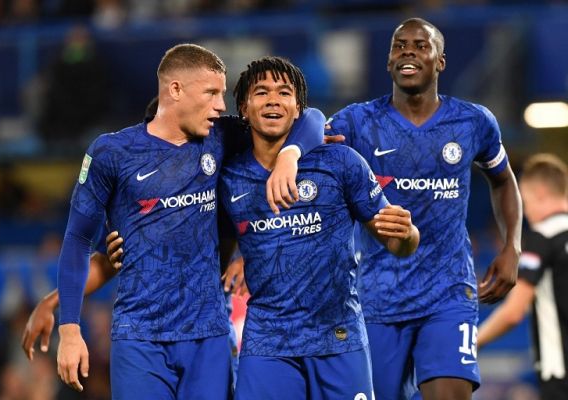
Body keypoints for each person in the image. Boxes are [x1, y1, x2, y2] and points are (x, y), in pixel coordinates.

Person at [54, 43, 324, 399]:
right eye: (211, 93)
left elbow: (312, 119)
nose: (221, 105)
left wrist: (291, 155)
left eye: (223, 94)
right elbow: (77, 240)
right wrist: (70, 330)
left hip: (208, 336)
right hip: (141, 337)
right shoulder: (111, 153)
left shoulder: (222, 137)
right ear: (175, 90)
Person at [326, 17, 522, 399]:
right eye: (399, 46)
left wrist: (511, 246)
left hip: (448, 291)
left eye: (421, 45)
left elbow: (504, 180)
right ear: (388, 62)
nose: (408, 52)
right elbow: (309, 133)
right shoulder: (356, 122)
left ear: (440, 61)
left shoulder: (473, 121)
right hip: (376, 297)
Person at [218, 56, 419, 399]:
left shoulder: (341, 162)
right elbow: (222, 246)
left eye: (284, 93)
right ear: (243, 106)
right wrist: (239, 255)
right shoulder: (229, 177)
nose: (272, 100)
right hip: (268, 342)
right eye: (261, 92)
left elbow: (398, 243)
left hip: (338, 336)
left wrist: (408, 234)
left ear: (298, 108)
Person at [478, 153, 568, 399]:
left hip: (560, 372)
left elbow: (514, 312)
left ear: (539, 192)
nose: (526, 214)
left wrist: (472, 343)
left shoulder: (542, 238)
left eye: (525, 203)